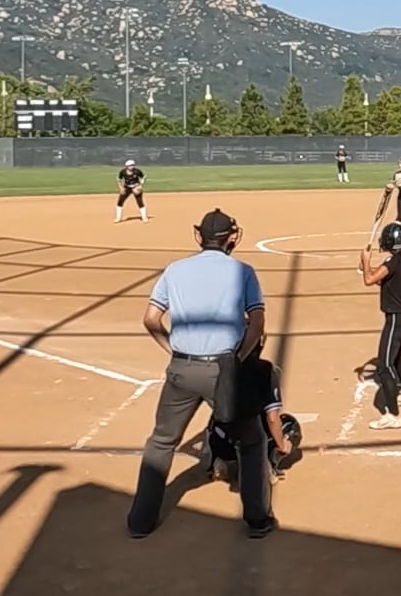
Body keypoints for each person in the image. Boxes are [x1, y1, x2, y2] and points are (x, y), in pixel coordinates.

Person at [129, 209, 275, 539]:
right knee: (251, 441)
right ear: (230, 238)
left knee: (161, 441)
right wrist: (237, 359)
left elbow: (151, 319)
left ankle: (140, 521)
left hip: (181, 367)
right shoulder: (243, 271)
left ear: (200, 236)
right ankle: (256, 519)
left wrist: (172, 349)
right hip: (223, 369)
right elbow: (257, 324)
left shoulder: (175, 269)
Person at [206, 335, 301, 487]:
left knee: (219, 417)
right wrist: (282, 444)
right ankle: (266, 464)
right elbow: (272, 418)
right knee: (289, 424)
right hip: (250, 441)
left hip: (221, 442)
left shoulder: (220, 367)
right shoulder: (265, 370)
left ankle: (218, 461)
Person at [360, 221, 401, 430]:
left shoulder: (393, 261)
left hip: (395, 318)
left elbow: (369, 280)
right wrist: (367, 267)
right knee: (398, 357)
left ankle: (393, 416)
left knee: (385, 366)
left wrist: (366, 261)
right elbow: (381, 277)